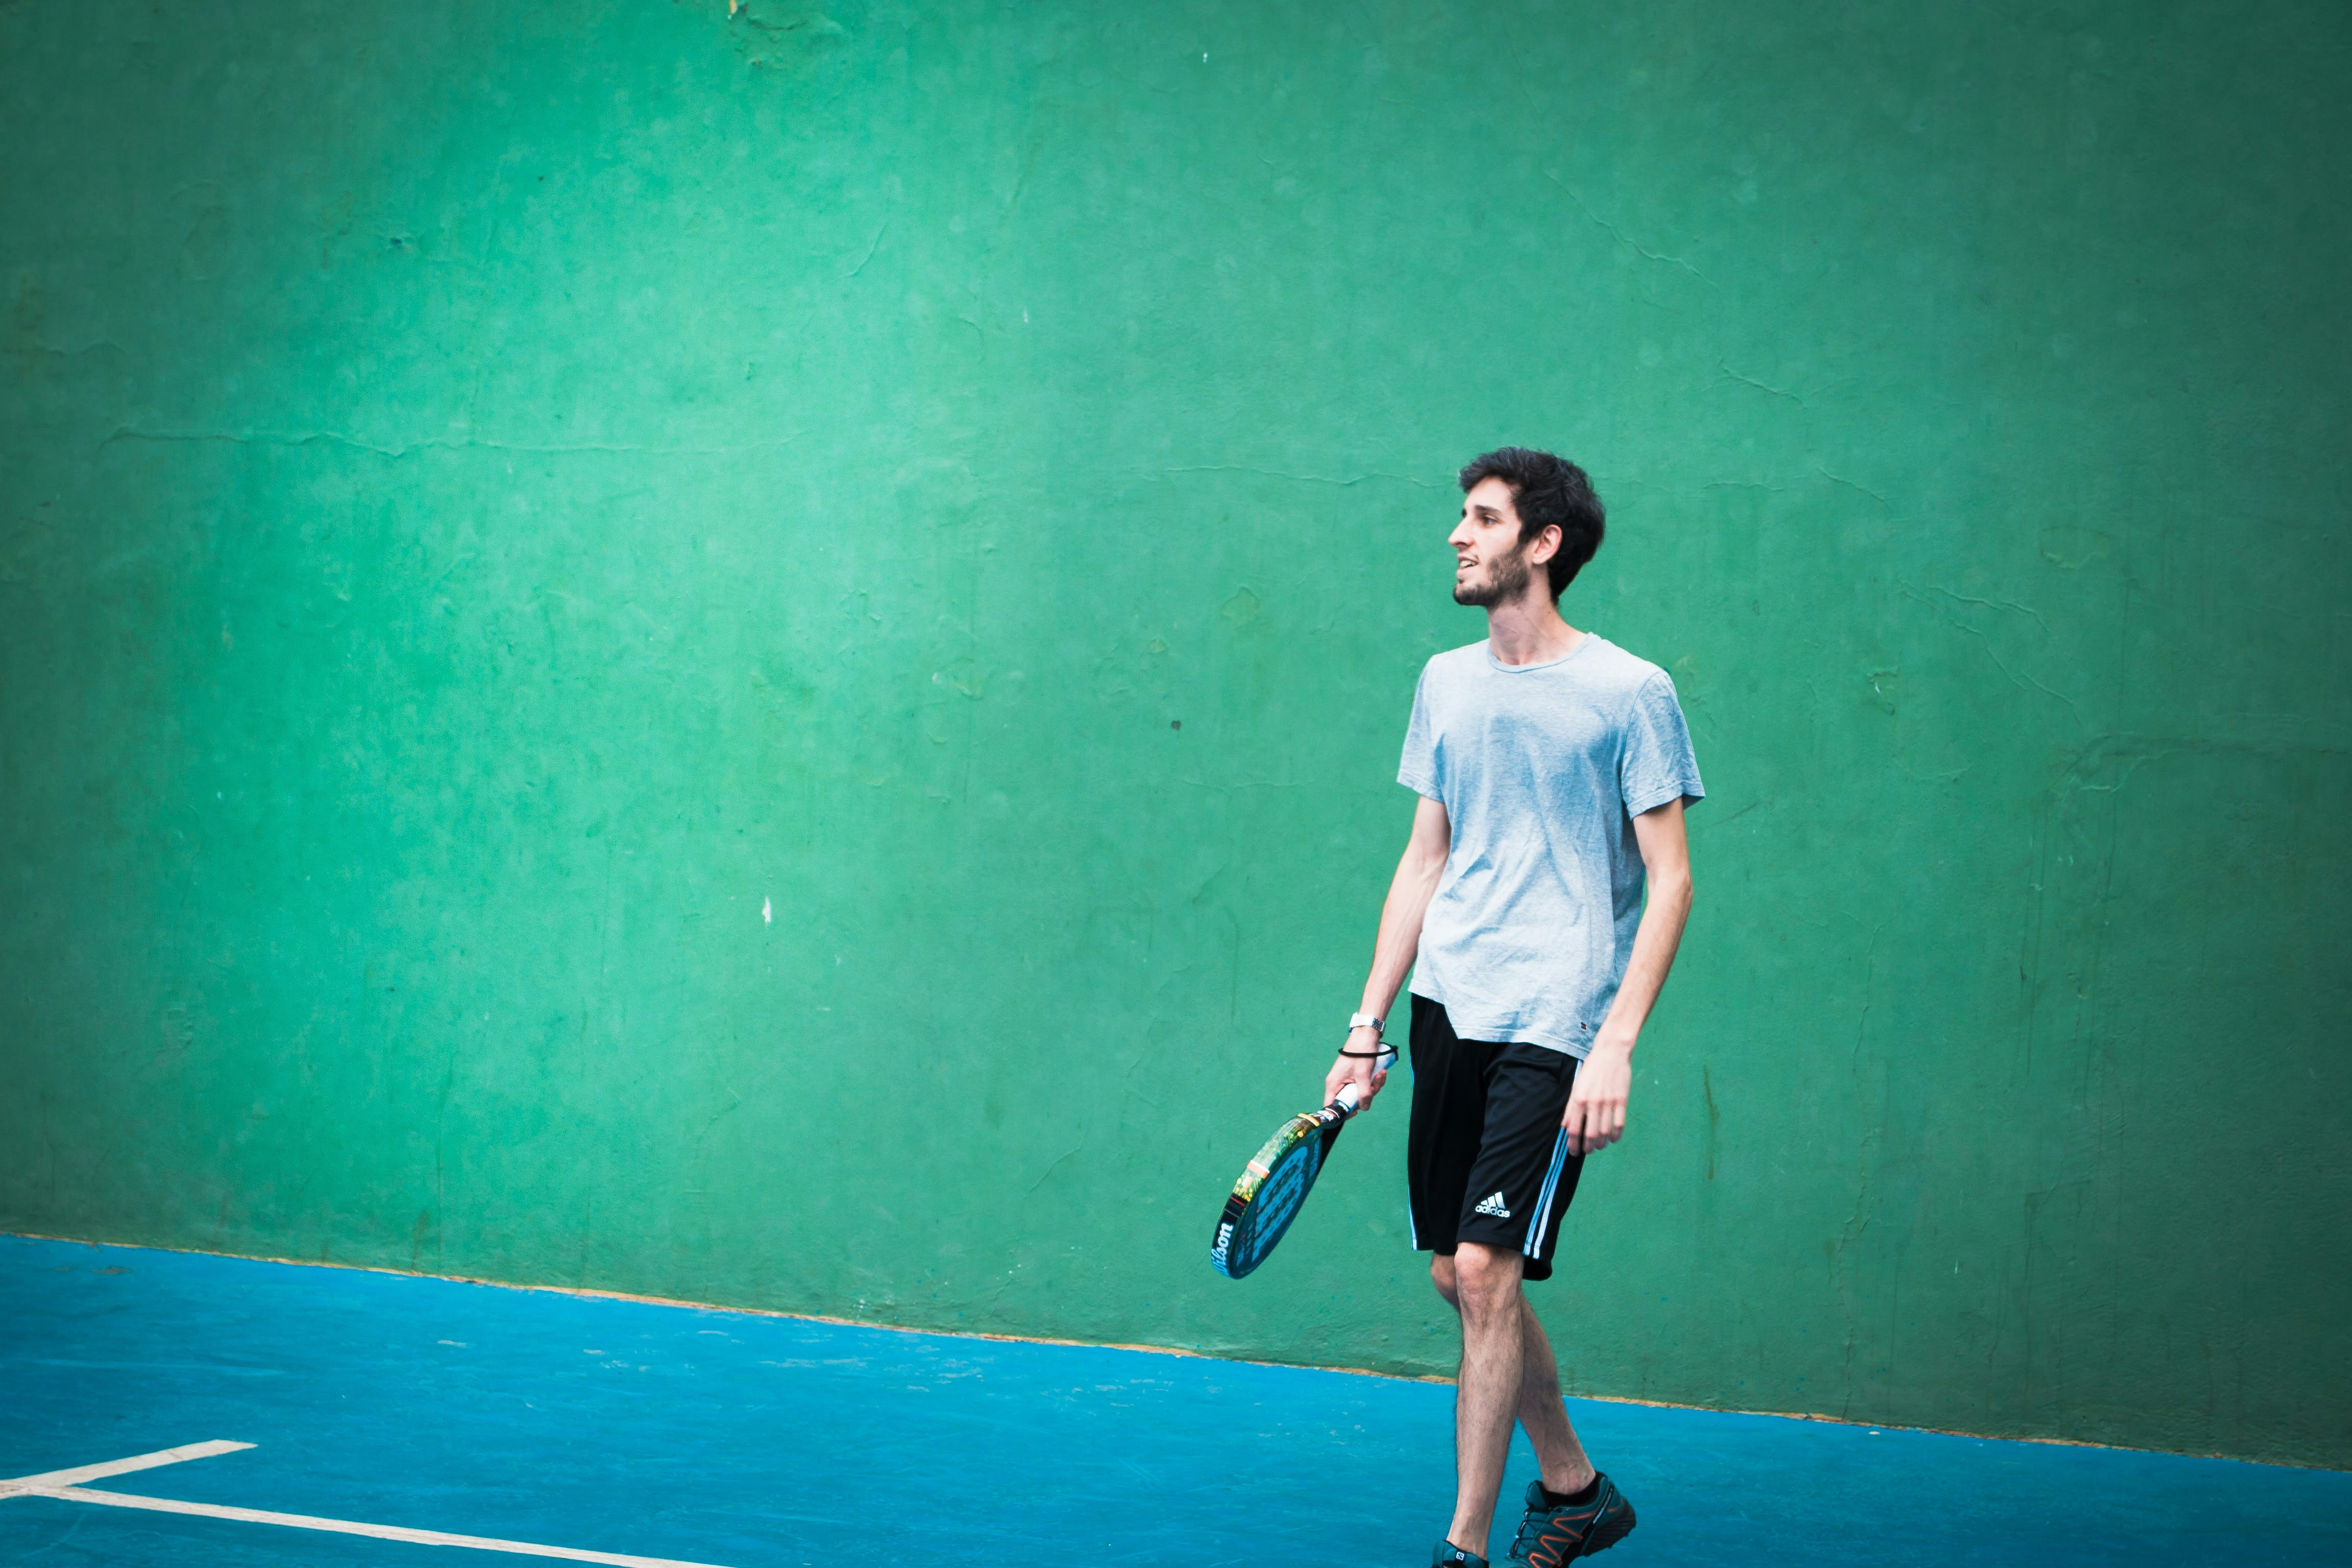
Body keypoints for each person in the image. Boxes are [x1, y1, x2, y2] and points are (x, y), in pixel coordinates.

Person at [1325, 448, 1703, 1567]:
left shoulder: (1631, 691)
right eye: (1462, 516)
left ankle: (1464, 1547)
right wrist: (1366, 1025)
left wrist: (1615, 1045)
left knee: (1490, 1272)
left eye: (1483, 519)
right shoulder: (1446, 681)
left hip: (1558, 1018)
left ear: (1543, 544)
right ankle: (1577, 1490)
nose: (1458, 535)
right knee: (1456, 1272)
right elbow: (1424, 859)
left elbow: (1672, 881)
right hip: (1451, 1005)